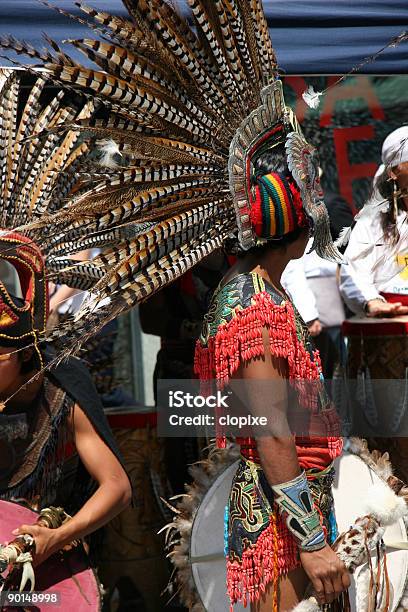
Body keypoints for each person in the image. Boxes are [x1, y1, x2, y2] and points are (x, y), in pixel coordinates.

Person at [1, 4, 348, 609]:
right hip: (277, 531)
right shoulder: (254, 310)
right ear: (287, 211)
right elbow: (268, 432)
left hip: (278, 513)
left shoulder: (255, 291)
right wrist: (313, 541)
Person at [340, 126, 408, 317]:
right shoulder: (374, 220)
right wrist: (373, 301)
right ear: (395, 171)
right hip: (394, 321)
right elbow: (354, 270)